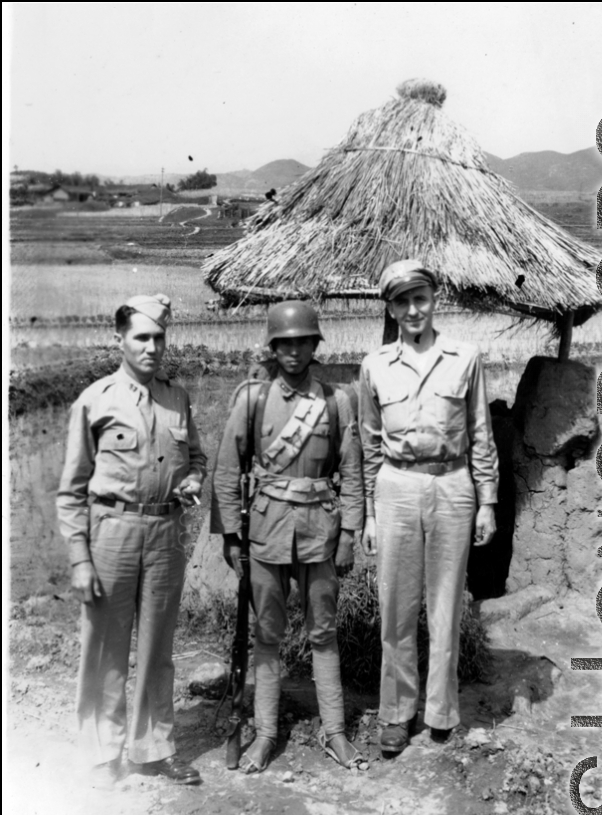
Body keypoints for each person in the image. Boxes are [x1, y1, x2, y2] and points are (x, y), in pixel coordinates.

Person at [57, 294, 207, 788]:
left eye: (159, 338)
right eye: (142, 337)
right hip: (112, 534)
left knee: (159, 646)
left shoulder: (177, 398)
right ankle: (102, 752)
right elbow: (72, 488)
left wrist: (192, 481)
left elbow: (198, 459)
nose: (152, 347)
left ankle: (152, 748)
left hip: (166, 534)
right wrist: (80, 559)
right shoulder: (95, 400)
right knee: (105, 645)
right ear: (119, 339)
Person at [211, 301, 365, 773]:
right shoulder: (253, 399)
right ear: (273, 348)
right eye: (285, 343)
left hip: (320, 531)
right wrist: (232, 536)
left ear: (315, 346)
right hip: (266, 531)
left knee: (323, 634)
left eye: (302, 342)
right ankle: (266, 735)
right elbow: (226, 468)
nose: (294, 351)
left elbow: (353, 472)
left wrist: (349, 535)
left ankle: (335, 732)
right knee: (267, 636)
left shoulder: (337, 401)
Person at [360, 260, 499, 754]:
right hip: (396, 487)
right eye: (402, 301)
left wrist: (488, 501)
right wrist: (371, 515)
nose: (413, 309)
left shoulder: (465, 357)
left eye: (420, 298)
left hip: (452, 485)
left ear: (434, 299)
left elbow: (481, 433)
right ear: (391, 309)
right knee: (396, 607)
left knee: (445, 606)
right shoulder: (374, 365)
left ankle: (441, 711)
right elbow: (369, 445)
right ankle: (396, 713)